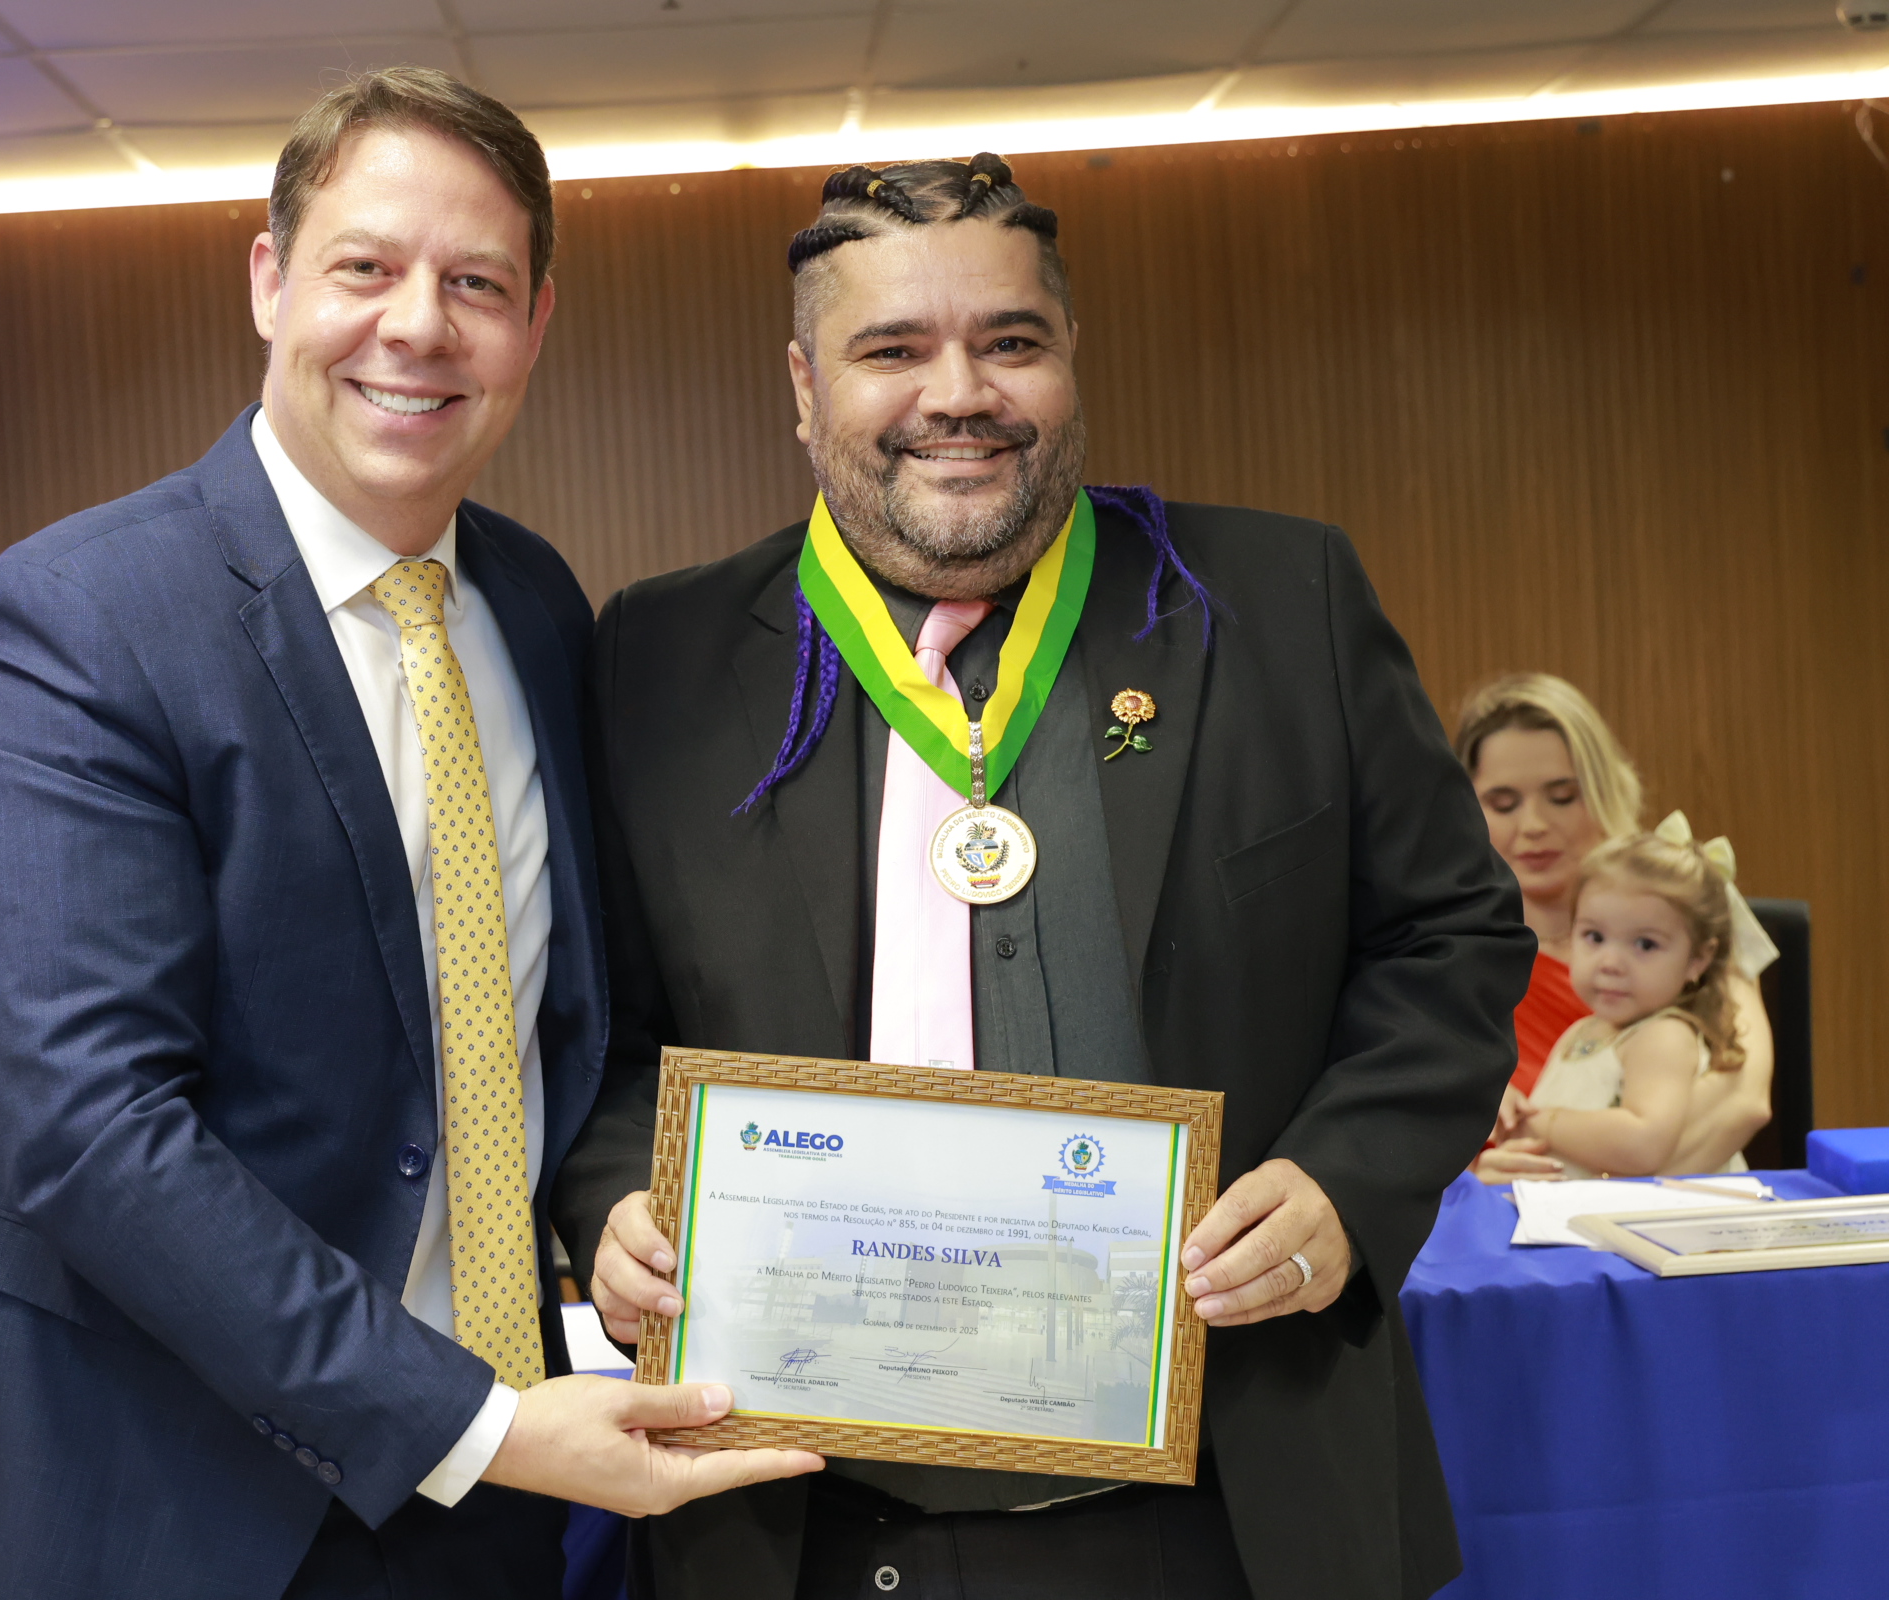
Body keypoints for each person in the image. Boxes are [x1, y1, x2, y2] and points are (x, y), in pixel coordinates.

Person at [0, 69, 813, 1600]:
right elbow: (91, 1130)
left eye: (476, 284)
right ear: (269, 282)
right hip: (143, 1508)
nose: (418, 325)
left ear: (535, 326)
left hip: (486, 1506)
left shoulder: (537, 607)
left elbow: (541, 1030)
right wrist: (477, 1422)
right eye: (366, 266)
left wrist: (611, 1228)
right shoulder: (68, 624)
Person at [555, 155, 1535, 1600]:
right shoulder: (661, 657)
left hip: (1227, 1505)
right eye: (892, 350)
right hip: (802, 1515)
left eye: (1009, 340)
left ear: (1071, 355)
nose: (959, 393)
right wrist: (612, 1206)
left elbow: (1449, 938)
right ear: (806, 387)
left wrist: (1346, 1181)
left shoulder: (1280, 603)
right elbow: (598, 1028)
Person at [1456, 674, 1773, 1180]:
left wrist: (1581, 1188)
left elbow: (1743, 1099)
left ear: (1607, 788)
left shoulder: (1685, 893)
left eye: (1563, 796)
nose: (1533, 825)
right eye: (1503, 803)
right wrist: (1477, 1183)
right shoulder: (1444, 940)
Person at [1523, 820, 1751, 1178]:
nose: (1610, 963)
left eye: (1645, 944)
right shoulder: (1583, 1032)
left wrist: (1538, 1122)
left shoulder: (1664, 1036)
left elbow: (1643, 1145)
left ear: (1698, 959)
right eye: (1594, 937)